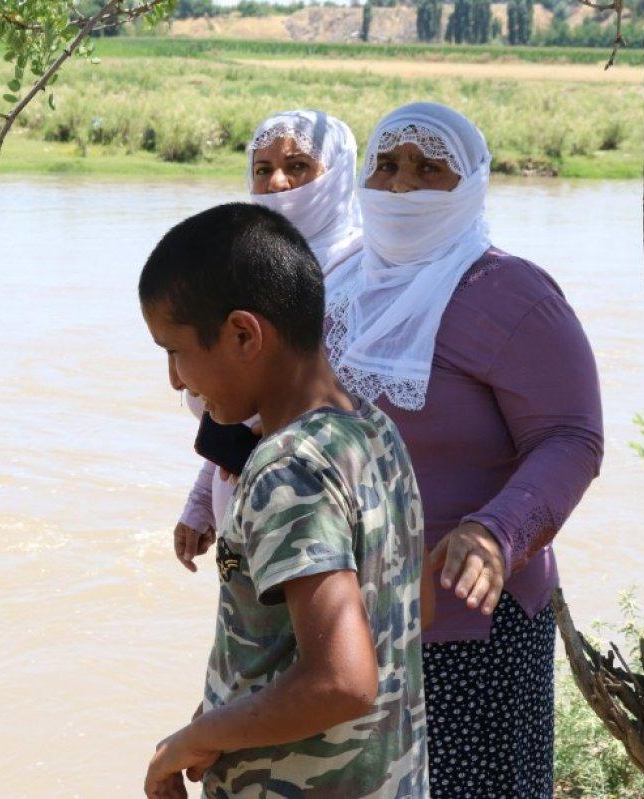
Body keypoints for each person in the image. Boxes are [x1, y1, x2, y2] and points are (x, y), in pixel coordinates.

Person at [328, 102, 604, 797]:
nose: (400, 184)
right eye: (386, 165)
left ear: (472, 185)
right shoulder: (336, 285)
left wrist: (494, 531)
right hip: (343, 616)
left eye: (429, 169)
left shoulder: (511, 293)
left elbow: (571, 437)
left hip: (467, 629)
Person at [139, 203, 428, 798]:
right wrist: (216, 720)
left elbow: (343, 680)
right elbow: (409, 612)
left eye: (174, 350)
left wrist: (185, 745)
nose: (173, 379)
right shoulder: (371, 430)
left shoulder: (287, 469)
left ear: (244, 334)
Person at [173, 110, 363, 571]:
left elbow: (355, 411)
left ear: (337, 176)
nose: (277, 183)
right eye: (263, 169)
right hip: (242, 527)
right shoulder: (247, 269)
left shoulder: (363, 275)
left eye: (298, 166)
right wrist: (201, 499)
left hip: (315, 528)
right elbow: (237, 405)